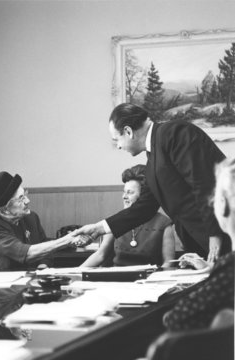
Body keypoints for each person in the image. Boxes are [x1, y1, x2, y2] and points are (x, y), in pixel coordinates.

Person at [74, 103, 229, 265]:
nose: (118, 146)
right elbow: (144, 208)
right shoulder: (152, 161)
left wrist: (215, 235)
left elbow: (205, 185)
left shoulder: (176, 133)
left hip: (223, 235)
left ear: (128, 131)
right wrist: (99, 228)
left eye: (117, 140)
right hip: (203, 243)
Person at [162, 157, 235, 331]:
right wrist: (211, 268)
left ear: (223, 205)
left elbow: (175, 319)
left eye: (214, 198)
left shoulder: (230, 268)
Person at [79, 164, 175, 269]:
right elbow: (100, 255)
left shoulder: (164, 224)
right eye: (124, 192)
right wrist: (74, 273)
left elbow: (168, 263)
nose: (124, 196)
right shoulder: (115, 221)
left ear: (144, 196)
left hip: (149, 280)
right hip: (116, 279)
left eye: (130, 193)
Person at [0, 171, 76, 272]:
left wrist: (43, 265)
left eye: (25, 194)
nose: (27, 201)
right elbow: (27, 253)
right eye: (21, 199)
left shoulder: (31, 217)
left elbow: (44, 246)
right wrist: (68, 240)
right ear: (5, 208)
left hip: (26, 281)